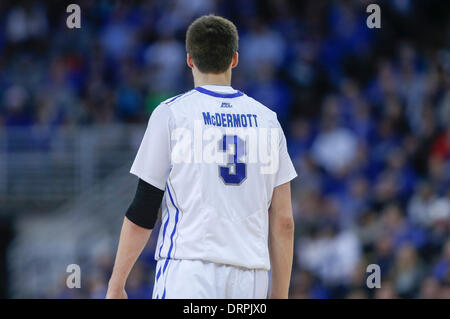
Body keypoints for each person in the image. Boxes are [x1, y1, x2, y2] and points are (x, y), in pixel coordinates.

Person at [106, 15, 297, 299]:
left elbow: (143, 210)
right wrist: (279, 295)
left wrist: (116, 284)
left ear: (189, 60)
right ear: (234, 59)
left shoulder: (171, 114)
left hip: (189, 271)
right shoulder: (268, 121)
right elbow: (284, 222)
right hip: (251, 277)